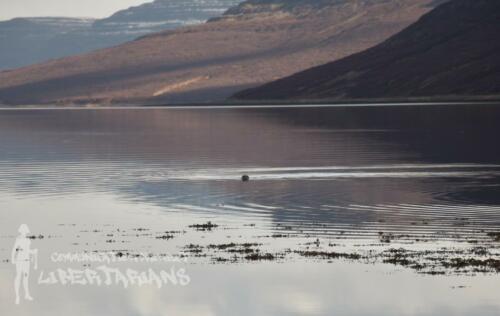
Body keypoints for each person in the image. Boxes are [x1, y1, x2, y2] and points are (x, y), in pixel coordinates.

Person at [11, 224, 38, 305]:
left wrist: (33, 252)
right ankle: (17, 296)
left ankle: (26, 294)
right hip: (20, 260)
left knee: (26, 277)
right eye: (23, 231)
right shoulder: (18, 239)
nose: (25, 232)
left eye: (25, 231)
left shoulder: (28, 240)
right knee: (18, 276)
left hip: (27, 261)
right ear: (21, 231)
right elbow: (14, 249)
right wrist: (12, 258)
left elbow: (27, 250)